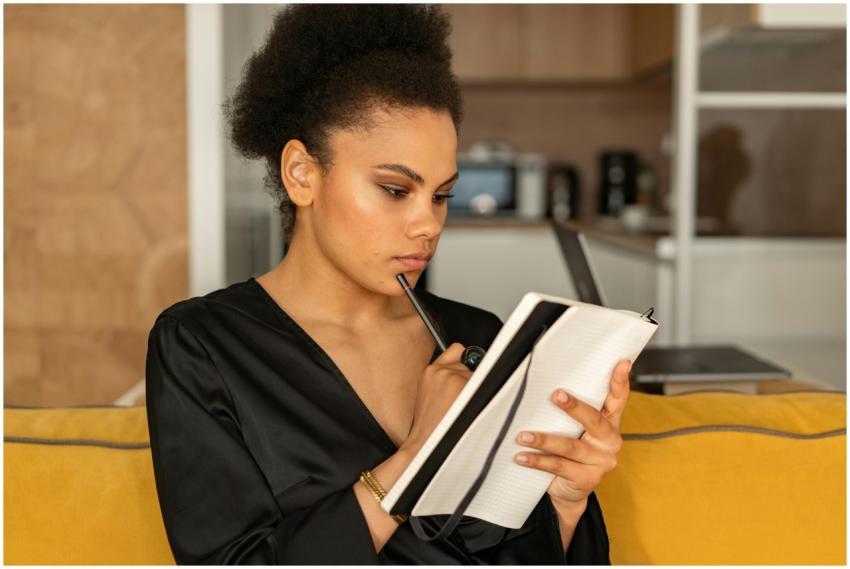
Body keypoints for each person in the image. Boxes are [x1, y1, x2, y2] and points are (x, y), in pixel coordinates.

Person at [145, 5, 631, 564]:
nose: (428, 224)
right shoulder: (202, 346)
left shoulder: (479, 337)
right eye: (396, 190)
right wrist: (415, 457)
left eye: (441, 195)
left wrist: (566, 503)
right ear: (302, 174)